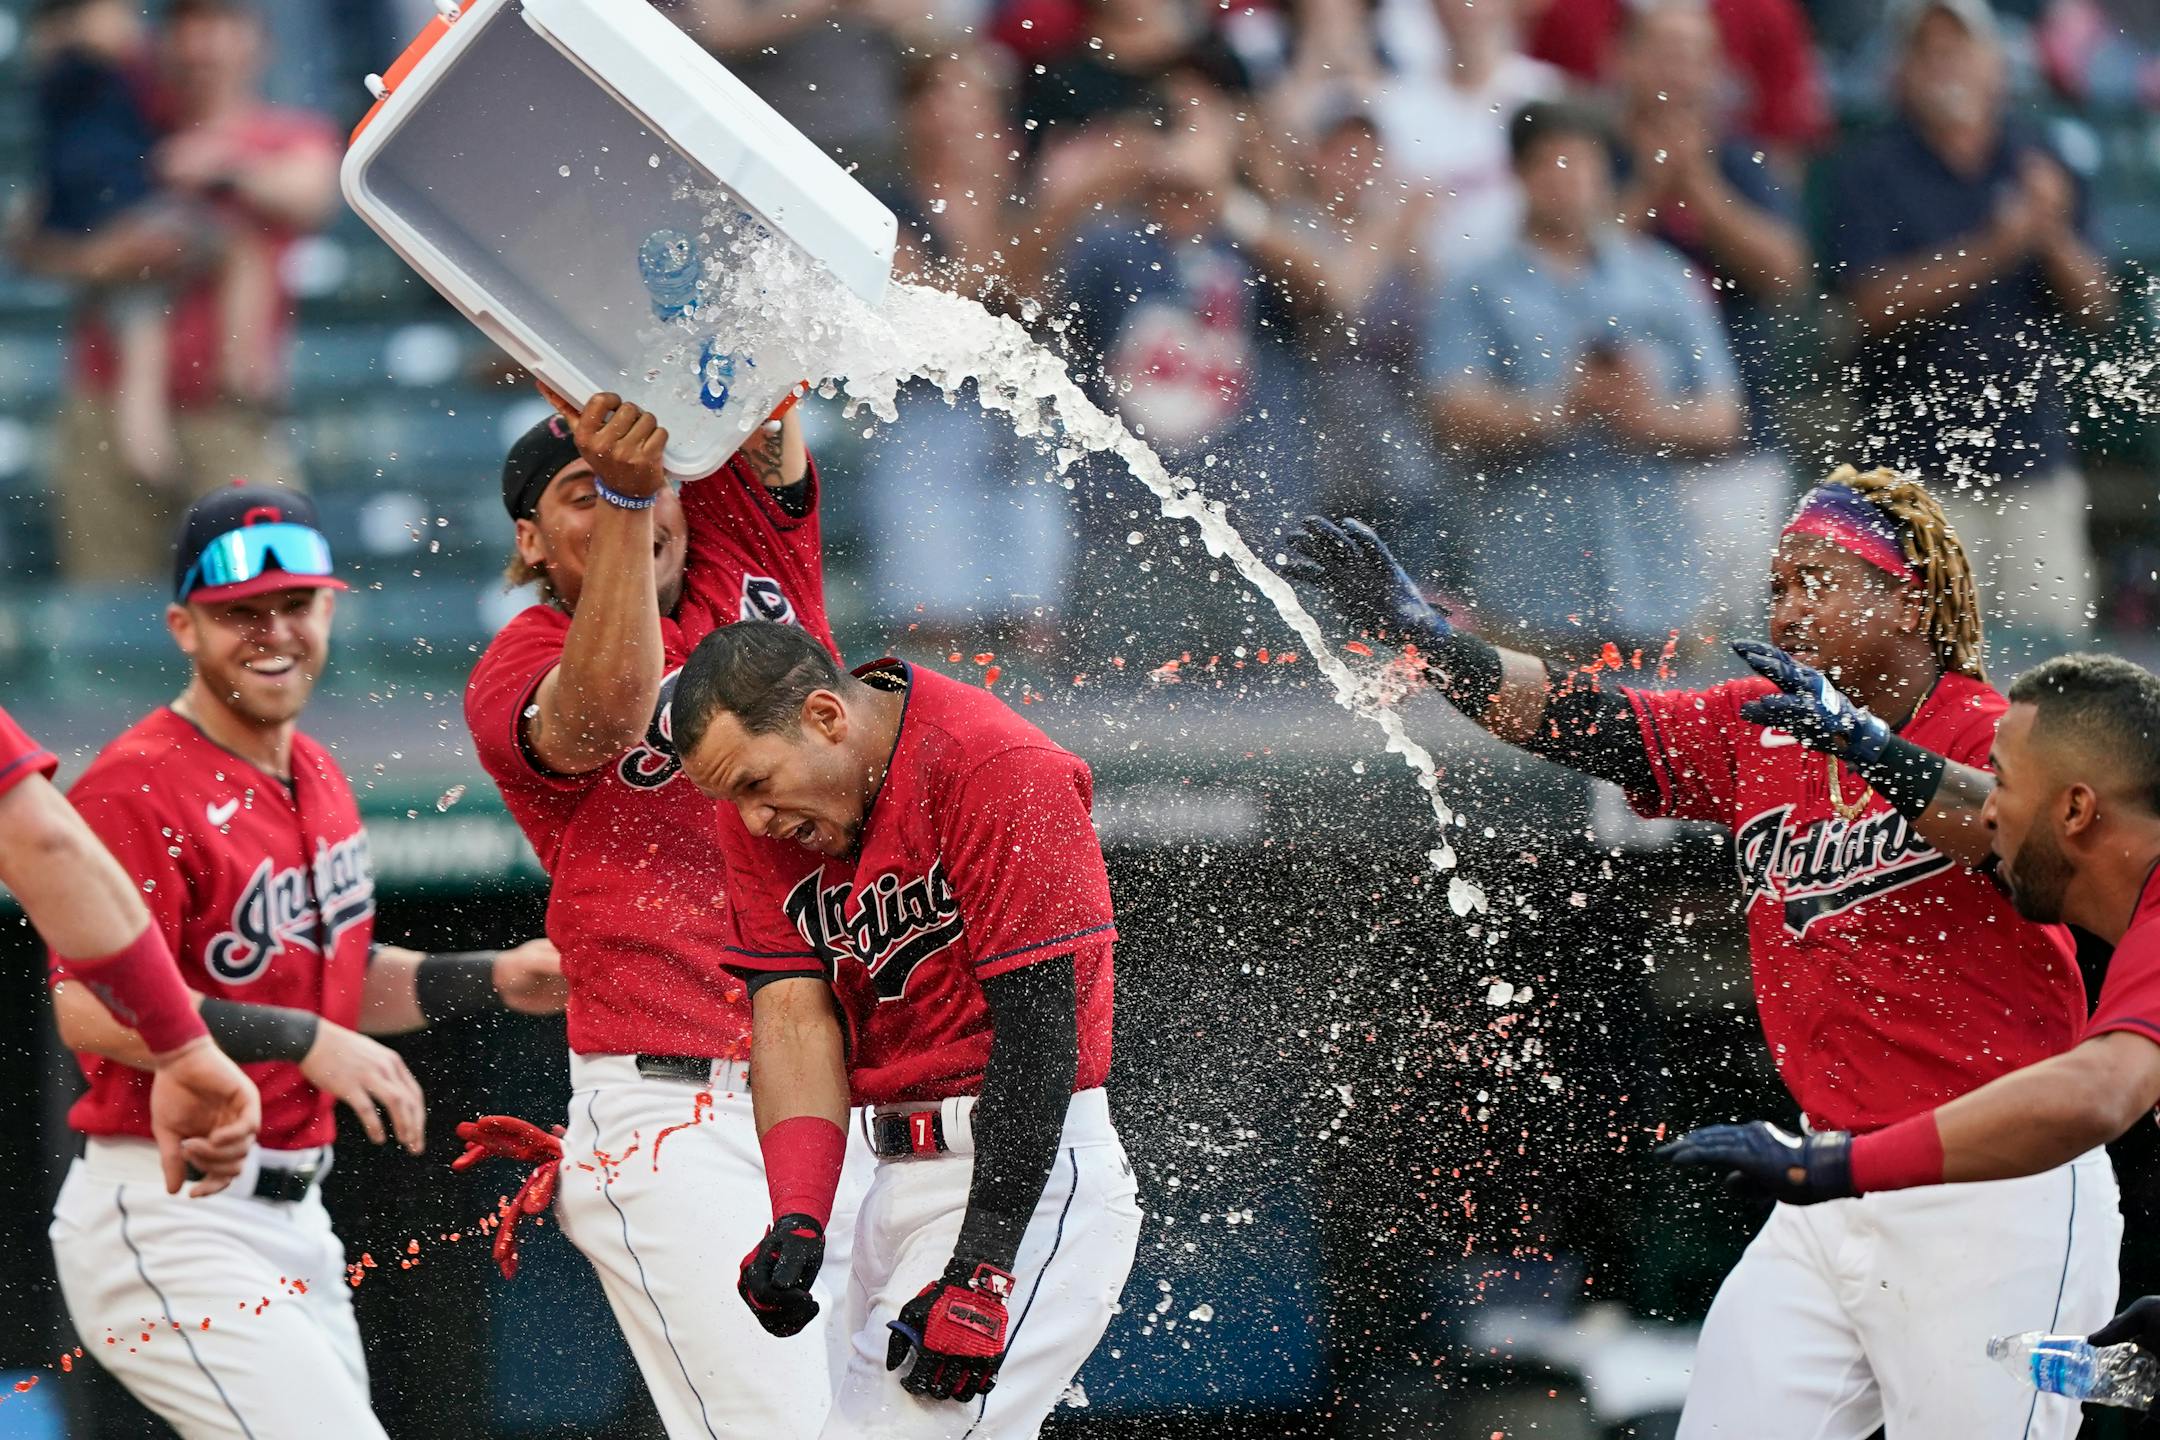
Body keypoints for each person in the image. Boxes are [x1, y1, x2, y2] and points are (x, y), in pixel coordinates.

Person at [1282, 466, 2116, 1437]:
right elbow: (1574, 717)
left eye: (1819, 579)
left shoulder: (1993, 728)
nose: (1789, 605)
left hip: (1998, 1184)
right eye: (1778, 586)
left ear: (1909, 600)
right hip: (1832, 1181)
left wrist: (1860, 743)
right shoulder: (1761, 724)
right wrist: (1432, 641)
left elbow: (2033, 844)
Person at [47, 484, 564, 1440]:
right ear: (182, 627)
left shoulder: (316, 769)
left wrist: (496, 976)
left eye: (296, 604)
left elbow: (334, 980)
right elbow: (83, 1004)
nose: (273, 630)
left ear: (331, 609)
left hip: (295, 1218)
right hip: (168, 1212)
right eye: (240, 613)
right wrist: (303, 1037)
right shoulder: (135, 784)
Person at [460, 390, 870, 1439]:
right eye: (576, 492)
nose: (613, 498)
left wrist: (643, 453)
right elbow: (600, 718)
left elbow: (753, 382)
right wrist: (628, 497)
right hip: (673, 1112)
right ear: (529, 539)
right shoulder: (518, 657)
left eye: (639, 474)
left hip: (834, 1087)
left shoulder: (741, 544)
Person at [670, 620, 1141, 1440]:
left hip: (1022, 1176)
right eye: (732, 798)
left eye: (755, 783)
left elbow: (1039, 1033)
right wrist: (799, 1215)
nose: (751, 821)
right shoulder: (785, 806)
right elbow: (791, 1017)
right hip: (890, 1179)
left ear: (825, 716)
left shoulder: (993, 764)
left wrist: (985, 1266)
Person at [1661, 654, 2160, 1217]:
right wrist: (1871, 745)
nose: (1986, 810)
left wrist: (1828, 1166)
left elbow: (2096, 1095)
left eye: (2003, 784)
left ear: (2075, 808)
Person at [1822, 0, 2117, 667]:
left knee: (2054, 670)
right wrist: (2000, 243)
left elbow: (2095, 305)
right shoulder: (1868, 169)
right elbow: (1870, 305)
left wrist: (2050, 231)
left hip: (2032, 460)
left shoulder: (2040, 160)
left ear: (1995, 67)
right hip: (1918, 469)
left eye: (1960, 50)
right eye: (1929, 51)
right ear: (1902, 71)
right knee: (1926, 669)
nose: (1946, 67)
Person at [23, 0, 339, 584]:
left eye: (220, 27)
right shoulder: (128, 121)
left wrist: (223, 168)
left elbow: (314, 192)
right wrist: (103, 257)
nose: (202, 47)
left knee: (266, 594)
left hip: (230, 410)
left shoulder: (286, 133)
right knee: (113, 608)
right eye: (187, 29)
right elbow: (33, 233)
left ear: (256, 43)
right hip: (106, 404)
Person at [1421, 100, 1744, 643]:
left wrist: (1647, 419)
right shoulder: (1475, 285)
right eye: (1551, 164)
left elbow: (1723, 417)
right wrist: (1562, 410)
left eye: (1582, 163)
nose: (1567, 181)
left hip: (1661, 584)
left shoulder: (1662, 276)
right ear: (1520, 174)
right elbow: (1450, 414)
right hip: (1527, 586)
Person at [0, 703, 258, 1195]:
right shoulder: (137, 781)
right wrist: (182, 1043)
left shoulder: (311, 767)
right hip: (168, 1195)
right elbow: (46, 840)